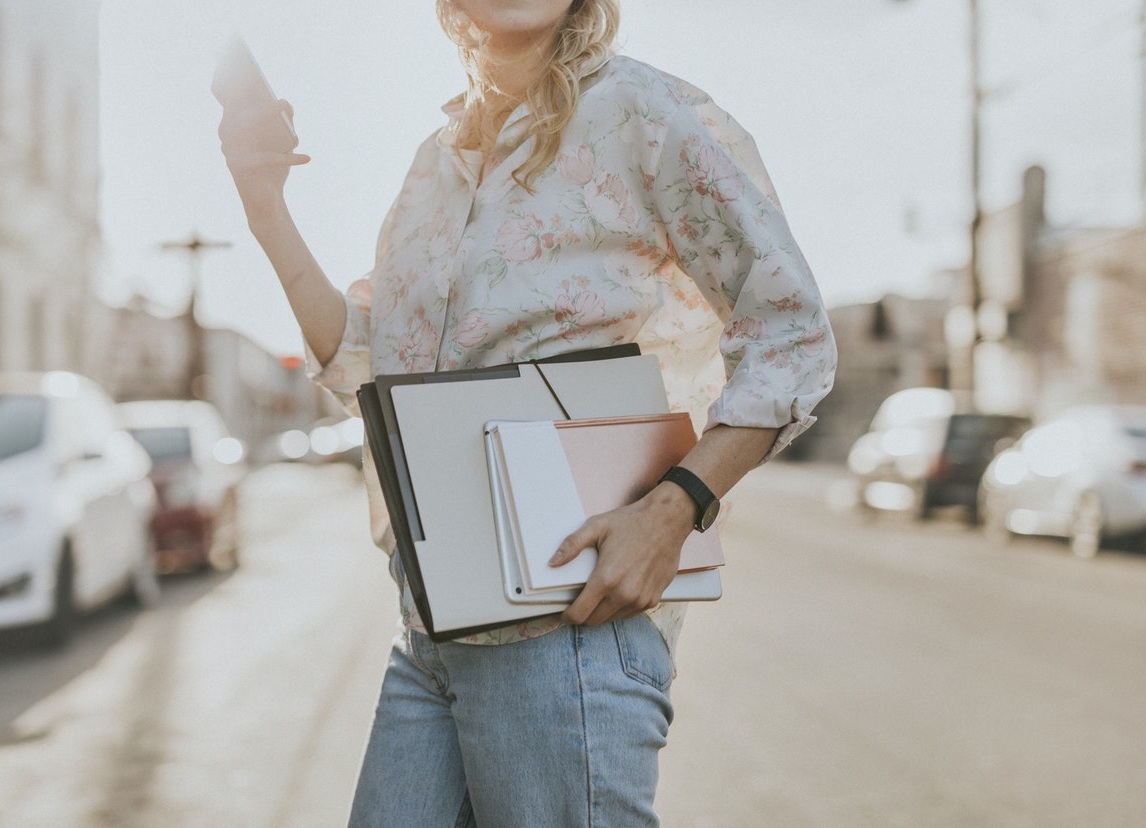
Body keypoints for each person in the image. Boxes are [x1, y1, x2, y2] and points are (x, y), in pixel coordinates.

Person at [218, 1, 836, 824]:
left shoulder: (642, 114)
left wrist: (673, 509)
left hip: (568, 634)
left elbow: (790, 330)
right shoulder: (432, 167)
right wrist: (265, 206)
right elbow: (368, 359)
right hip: (432, 633)